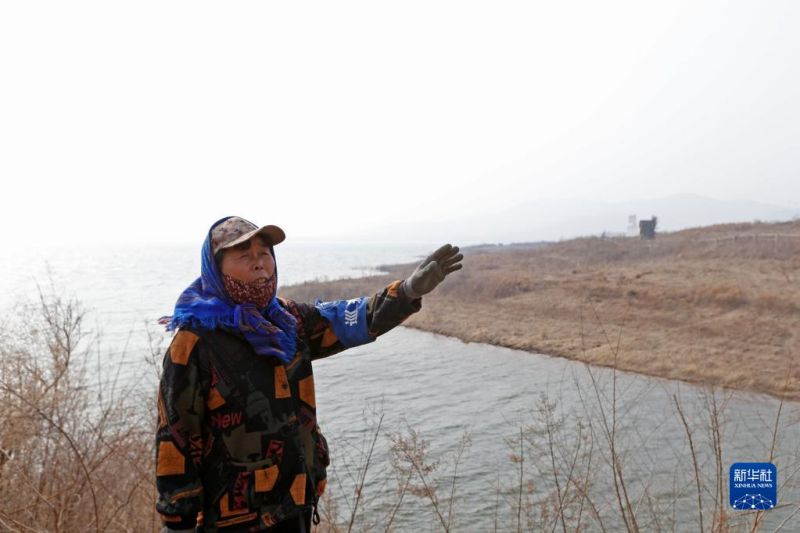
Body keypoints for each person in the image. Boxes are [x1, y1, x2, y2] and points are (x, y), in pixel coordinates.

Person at [155, 216, 463, 532]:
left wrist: (408, 292)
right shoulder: (196, 340)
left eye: (264, 253)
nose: (259, 263)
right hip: (234, 522)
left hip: (295, 506)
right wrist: (178, 522)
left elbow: (352, 320)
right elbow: (176, 436)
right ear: (216, 268)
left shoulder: (288, 320)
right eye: (244, 255)